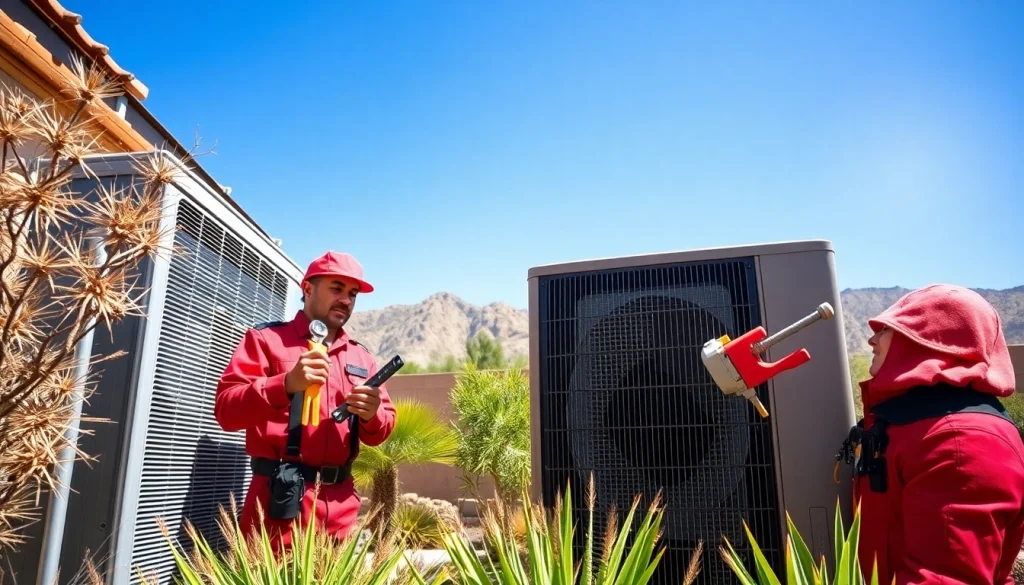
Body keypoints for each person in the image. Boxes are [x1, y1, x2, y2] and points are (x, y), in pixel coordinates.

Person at [838, 284, 1024, 584]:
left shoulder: (962, 441)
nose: (872, 339)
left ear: (932, 341)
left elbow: (946, 578)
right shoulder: (911, 420)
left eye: (886, 330)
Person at [214, 250, 396, 551]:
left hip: (340, 507)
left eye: (353, 293)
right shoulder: (265, 340)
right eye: (336, 288)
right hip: (278, 504)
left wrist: (372, 414)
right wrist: (284, 384)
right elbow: (226, 411)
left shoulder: (361, 357)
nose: (346, 300)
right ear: (308, 288)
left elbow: (382, 429)